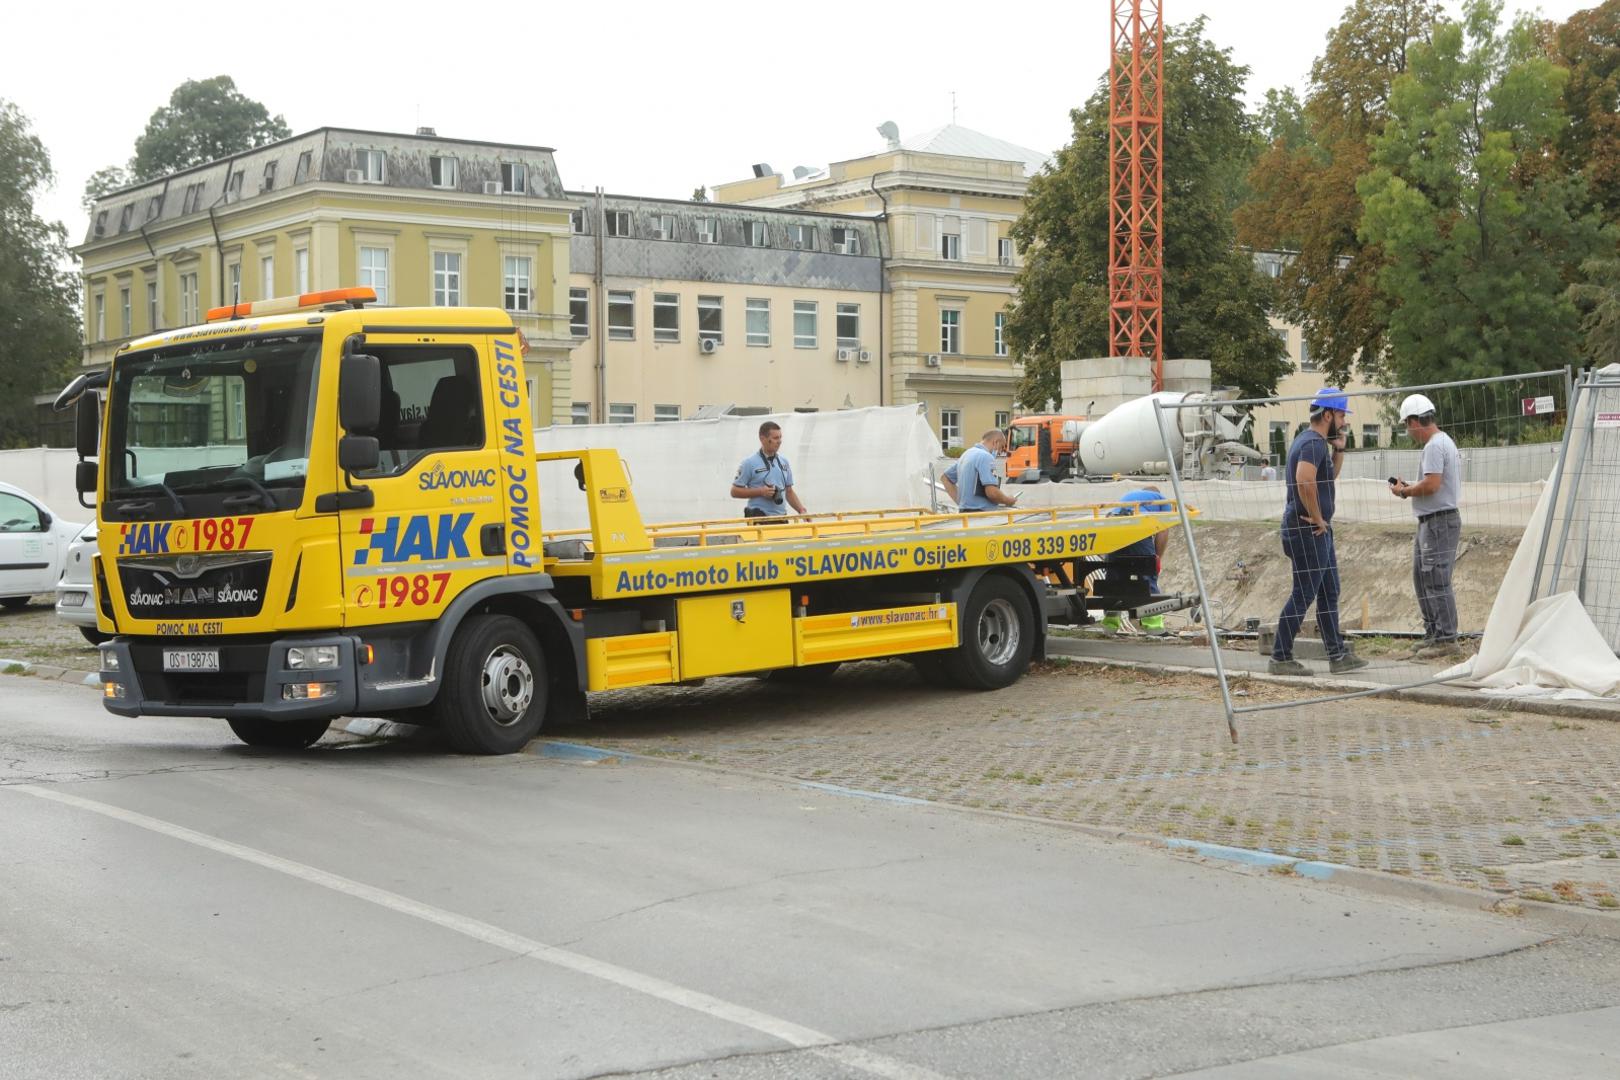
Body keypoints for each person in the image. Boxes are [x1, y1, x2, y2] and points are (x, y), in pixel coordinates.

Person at [1269, 389, 1368, 676]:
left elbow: (1328, 476)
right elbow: (1305, 482)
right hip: (1308, 529)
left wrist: (1339, 449)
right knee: (1303, 594)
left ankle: (1337, 654)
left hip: (1313, 529)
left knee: (1329, 591)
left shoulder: (1315, 442)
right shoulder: (1312, 444)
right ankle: (1280, 656)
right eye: (1340, 415)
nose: (1344, 421)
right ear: (1327, 415)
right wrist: (1317, 518)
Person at [1389, 393, 1463, 658]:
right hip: (1432, 521)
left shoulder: (1434, 445)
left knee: (1436, 579)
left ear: (1414, 421)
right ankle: (1434, 633)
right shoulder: (1441, 442)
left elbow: (1432, 485)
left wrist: (1404, 492)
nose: (1408, 432)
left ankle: (1446, 638)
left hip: (1438, 522)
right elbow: (1432, 483)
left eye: (1407, 425)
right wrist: (1410, 487)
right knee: (1423, 578)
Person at [1100, 486, 1172, 635]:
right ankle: (1154, 629)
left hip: (1114, 528)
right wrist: (1157, 557)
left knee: (1114, 577)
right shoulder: (1163, 500)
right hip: (1138, 526)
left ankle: (1109, 626)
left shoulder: (1128, 495)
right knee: (1146, 576)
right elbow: (1163, 530)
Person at [731, 421, 806, 523]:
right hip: (758, 518)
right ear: (762, 439)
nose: (779, 441)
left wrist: (801, 510)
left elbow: (789, 491)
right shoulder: (749, 463)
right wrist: (761, 492)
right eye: (775, 438)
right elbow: (734, 491)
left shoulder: (784, 462)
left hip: (781, 518)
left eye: (780, 437)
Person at [942, 429, 1019, 512]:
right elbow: (992, 493)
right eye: (1001, 447)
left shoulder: (967, 454)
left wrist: (961, 503)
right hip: (981, 514)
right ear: (995, 442)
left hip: (965, 513)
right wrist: (1008, 500)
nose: (1000, 452)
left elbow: (945, 478)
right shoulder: (986, 457)